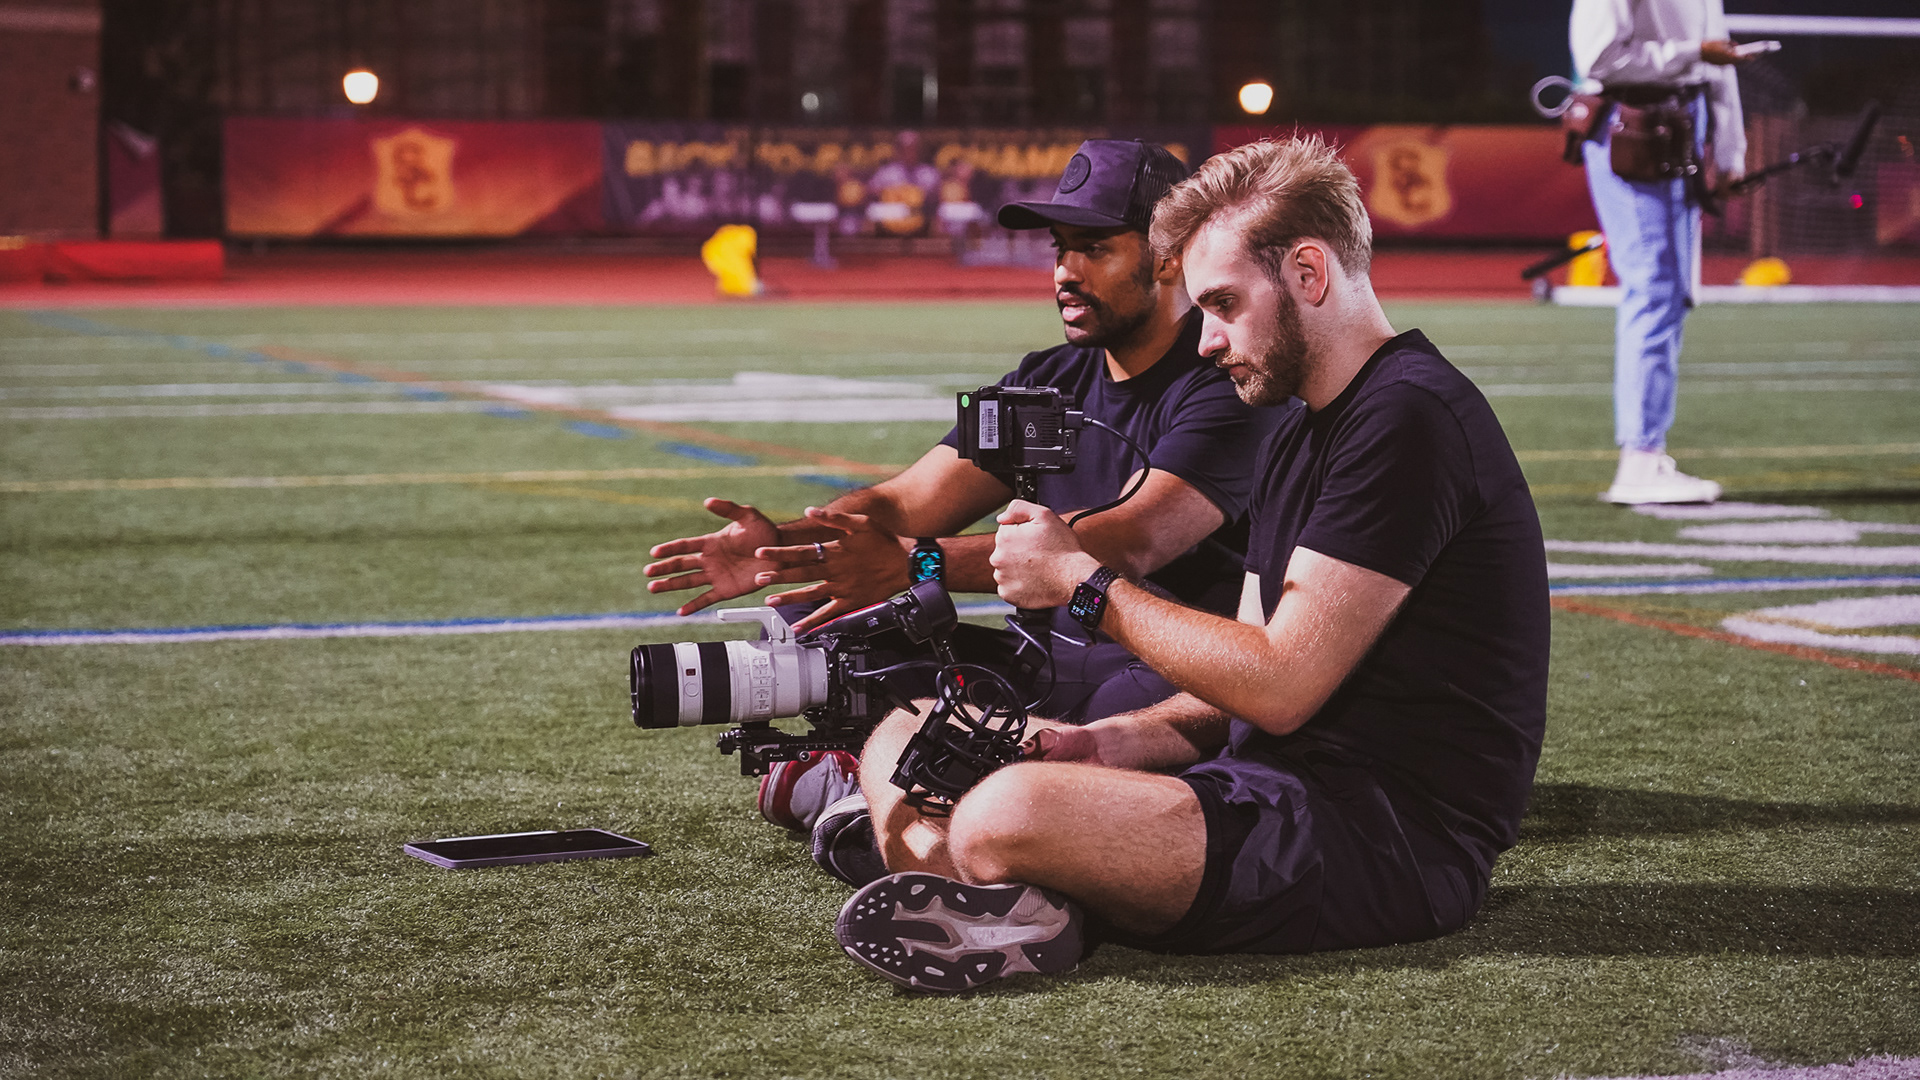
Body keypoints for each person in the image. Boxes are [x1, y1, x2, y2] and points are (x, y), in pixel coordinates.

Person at [833, 136, 1550, 994]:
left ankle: (991, 874)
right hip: (1265, 787)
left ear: (1309, 273)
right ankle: (1015, 896)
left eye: (1223, 304)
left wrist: (1083, 584)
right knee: (909, 730)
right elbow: (1234, 684)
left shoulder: (1407, 418)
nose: (1206, 341)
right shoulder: (1304, 426)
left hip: (1384, 841)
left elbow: (1278, 685)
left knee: (1003, 811)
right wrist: (1106, 743)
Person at [643, 140, 1279, 844]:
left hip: (1165, 667)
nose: (1065, 272)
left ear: (1168, 258)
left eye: (1094, 249)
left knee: (1107, 720)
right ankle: (909, 781)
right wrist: (791, 544)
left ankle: (907, 789)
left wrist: (916, 563)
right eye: (1060, 248)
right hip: (1046, 659)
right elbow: (904, 502)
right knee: (837, 630)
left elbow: (1129, 539)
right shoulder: (1046, 379)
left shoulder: (1222, 380)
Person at [1572, 0, 1749, 504]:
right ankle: (1640, 461)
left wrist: (1731, 151)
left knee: (1670, 293)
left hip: (1679, 121)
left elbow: (1720, 60)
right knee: (1653, 288)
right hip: (1633, 124)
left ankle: (1647, 454)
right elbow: (1598, 59)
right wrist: (1693, 52)